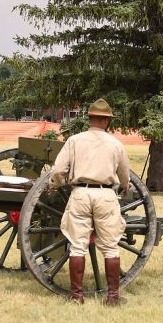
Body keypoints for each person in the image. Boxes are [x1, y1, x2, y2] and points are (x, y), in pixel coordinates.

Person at [48, 98, 130, 305]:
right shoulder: (116, 143)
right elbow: (124, 175)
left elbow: (58, 171)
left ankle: (77, 297)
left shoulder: (75, 140)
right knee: (111, 247)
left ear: (90, 119)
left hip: (80, 194)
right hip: (105, 195)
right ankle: (112, 297)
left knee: (77, 246)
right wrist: (125, 186)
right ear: (107, 121)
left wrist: (55, 185)